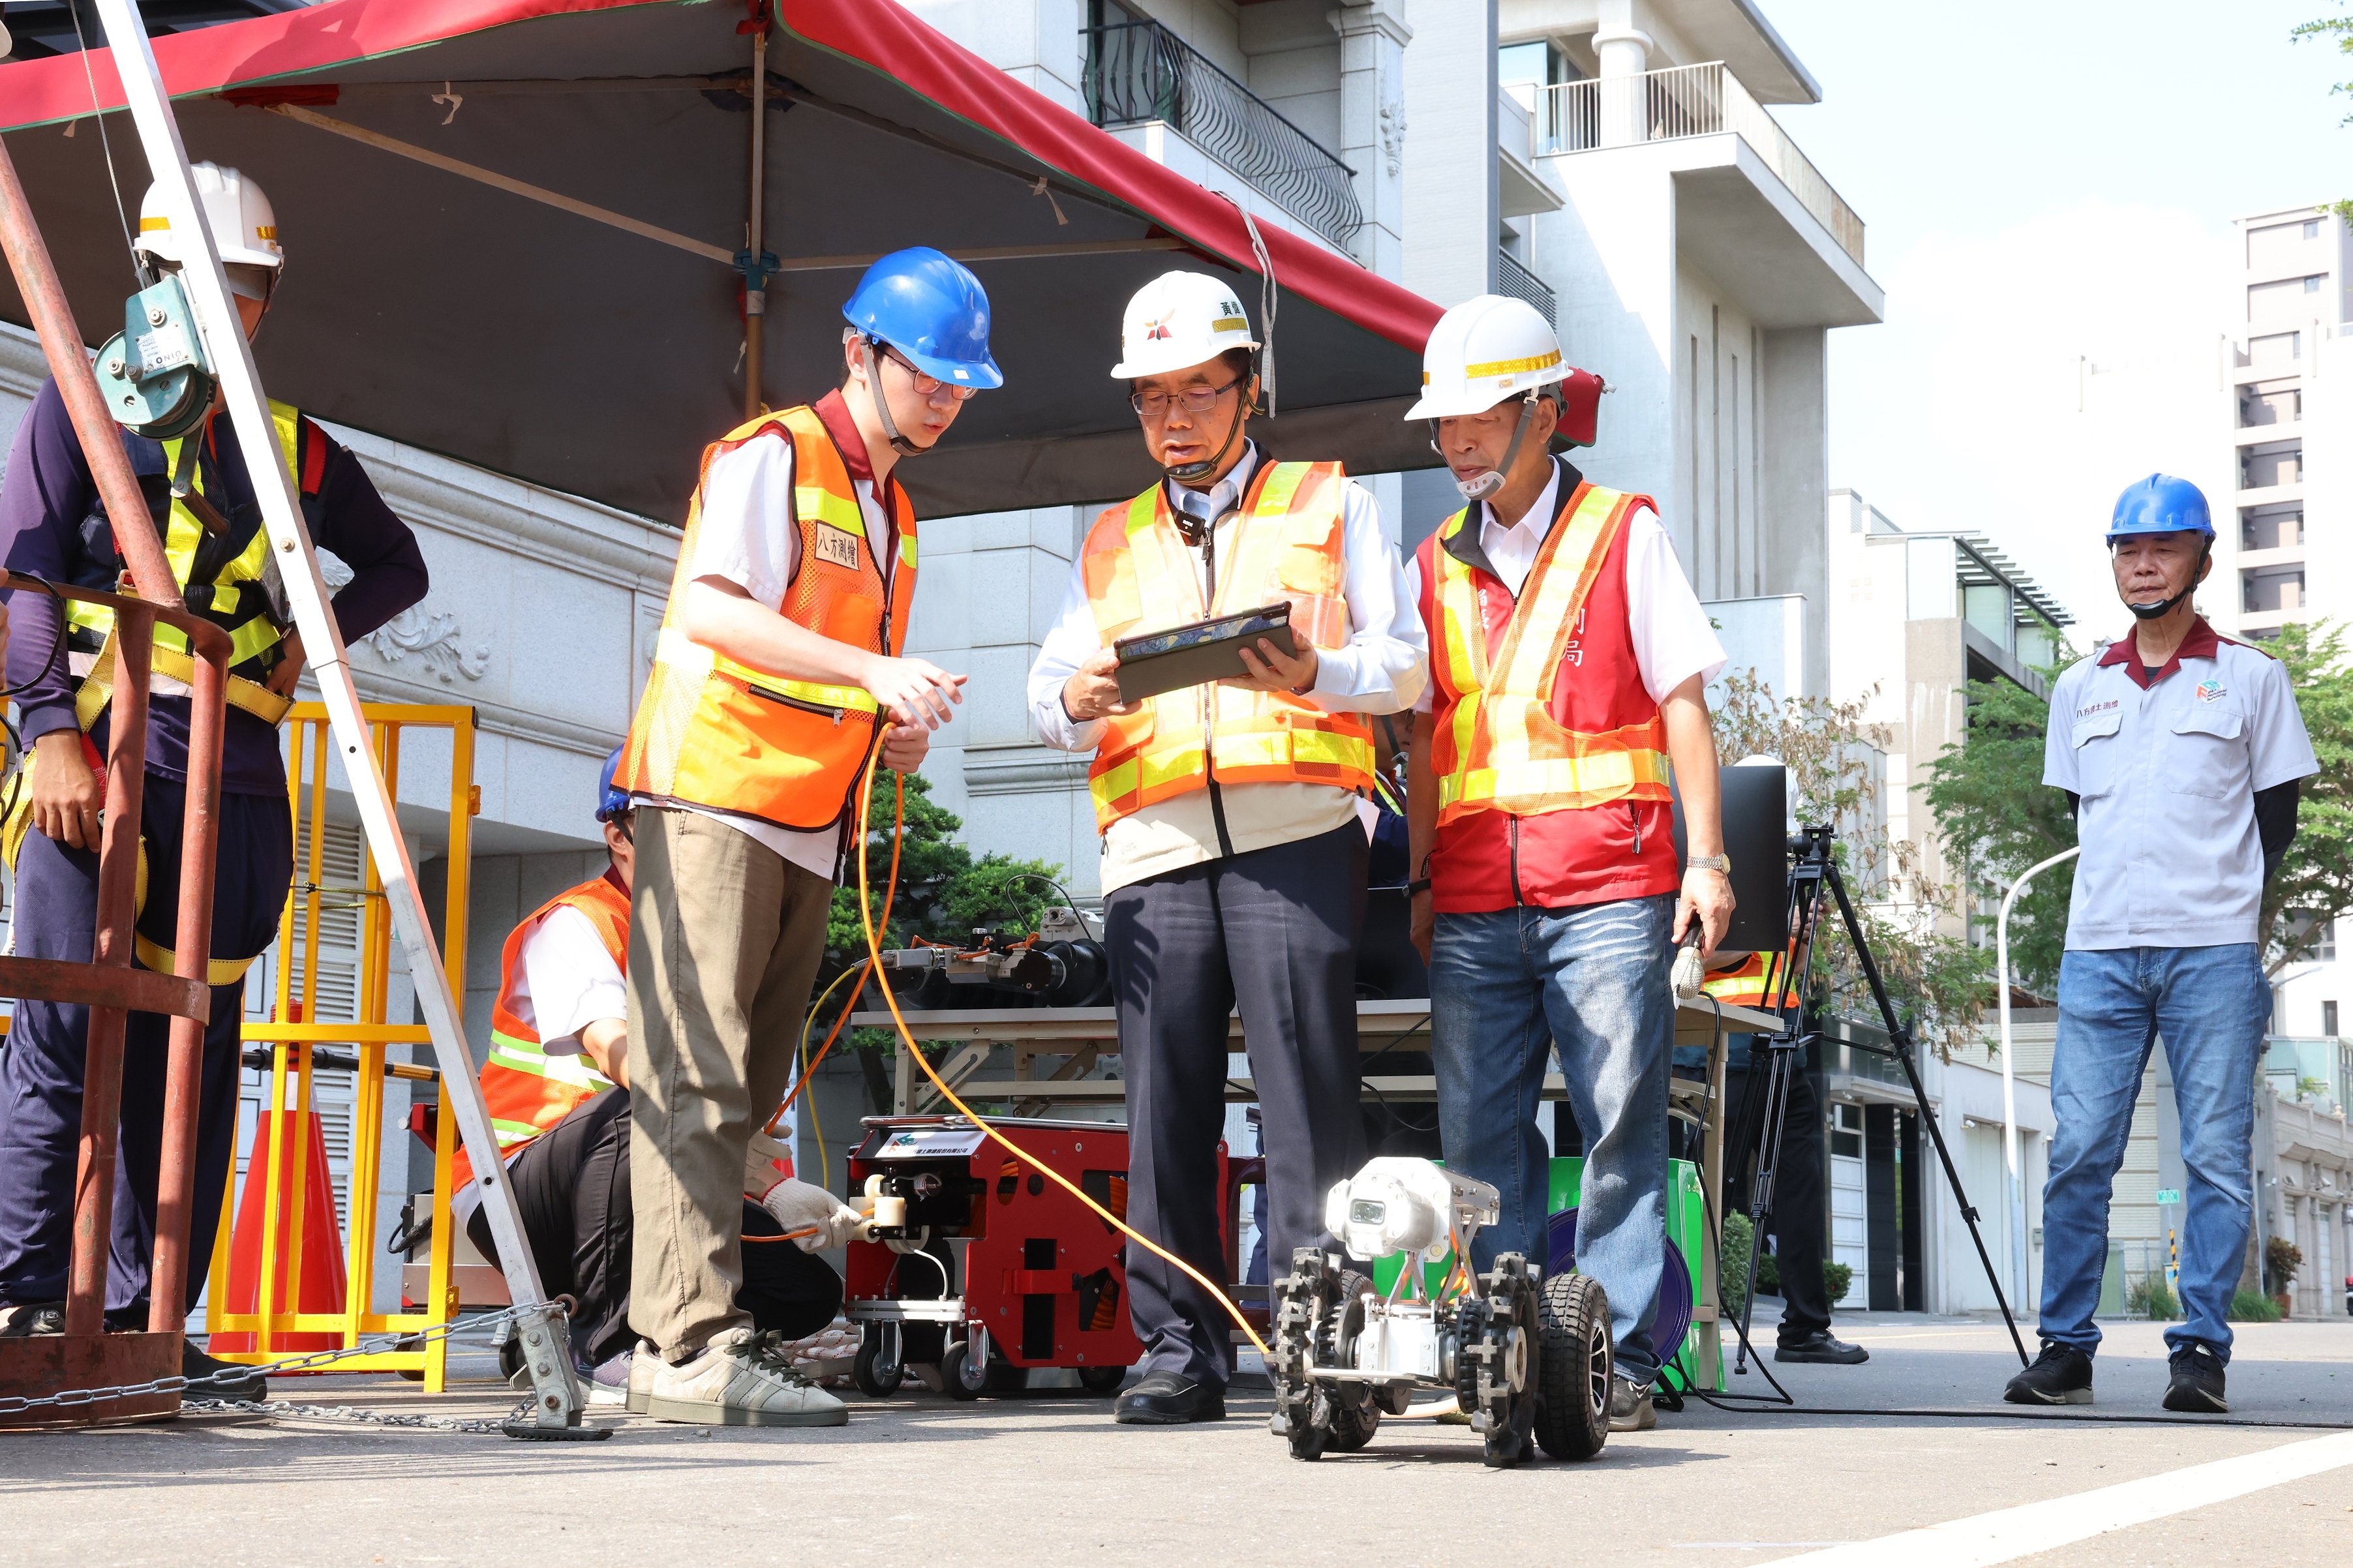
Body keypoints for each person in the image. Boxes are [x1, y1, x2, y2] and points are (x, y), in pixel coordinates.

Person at [0, 165, 428, 1399]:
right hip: (105, 759)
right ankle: (24, 1291)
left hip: (236, 784)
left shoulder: (294, 445)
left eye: (250, 285)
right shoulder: (85, 400)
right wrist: (48, 730)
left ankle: (153, 1319)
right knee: (65, 1031)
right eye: (206, 282)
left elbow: (397, 564)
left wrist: (309, 637)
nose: (233, 308)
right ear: (153, 279)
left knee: (193, 1049)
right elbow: (25, 577)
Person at [1027, 270, 1426, 1425]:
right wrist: (1079, 697)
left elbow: (1404, 664)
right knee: (1165, 1113)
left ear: (1249, 390)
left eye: (1199, 389)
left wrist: (1319, 672)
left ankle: (1323, 1342)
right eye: (1153, 397)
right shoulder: (1110, 540)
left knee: (1306, 1101)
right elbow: (1047, 695)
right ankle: (1176, 1351)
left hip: (1294, 832)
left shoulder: (1332, 505)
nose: (1175, 417)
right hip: (1151, 849)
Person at [615, 247, 992, 1426]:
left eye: (960, 383)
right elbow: (711, 607)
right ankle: (681, 1345)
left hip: (806, 823)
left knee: (741, 1090)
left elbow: (827, 669)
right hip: (715, 797)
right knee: (696, 1071)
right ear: (858, 354)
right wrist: (871, 673)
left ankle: (708, 1330)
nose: (944, 398)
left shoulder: (895, 512)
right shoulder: (772, 453)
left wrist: (892, 729)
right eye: (927, 373)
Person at [1402, 295, 1732, 1436]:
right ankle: (1493, 1354)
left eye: (1478, 418)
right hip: (1473, 891)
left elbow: (1683, 701)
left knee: (1617, 1128)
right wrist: (1420, 879)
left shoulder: (1621, 532)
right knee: (1477, 1141)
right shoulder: (1431, 563)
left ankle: (1614, 1360)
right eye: (1443, 423)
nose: (1456, 442)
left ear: (1542, 413)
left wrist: (1707, 862)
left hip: (1607, 886)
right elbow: (1423, 737)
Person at [2005, 474, 2316, 1414]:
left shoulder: (2251, 678)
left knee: (2215, 1156)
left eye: (2164, 548)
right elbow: (2080, 812)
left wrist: (2218, 899)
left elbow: (2274, 820)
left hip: (2210, 953)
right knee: (2078, 1154)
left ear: (2201, 562)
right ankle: (2065, 1349)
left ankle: (2200, 1353)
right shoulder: (2079, 687)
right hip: (2097, 952)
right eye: (2127, 549)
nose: (2143, 564)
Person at [452, 749, 860, 1404]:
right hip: (521, 1192)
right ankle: (600, 1345)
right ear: (619, 836)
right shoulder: (579, 922)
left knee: (805, 1291)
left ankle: (587, 1330)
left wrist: (766, 1187)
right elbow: (619, 1057)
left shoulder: (703, 944)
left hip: (632, 1185)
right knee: (646, 1099)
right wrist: (760, 1178)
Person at [1697, 944, 1868, 1365]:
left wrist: (1800, 939)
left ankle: (1804, 1331)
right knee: (1706, 1197)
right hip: (1722, 1050)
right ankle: (1674, 1323)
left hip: (1785, 1055)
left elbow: (1788, 973)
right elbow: (1687, 958)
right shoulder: (1703, 895)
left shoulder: (1783, 903)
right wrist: (1768, 935)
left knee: (1800, 1194)